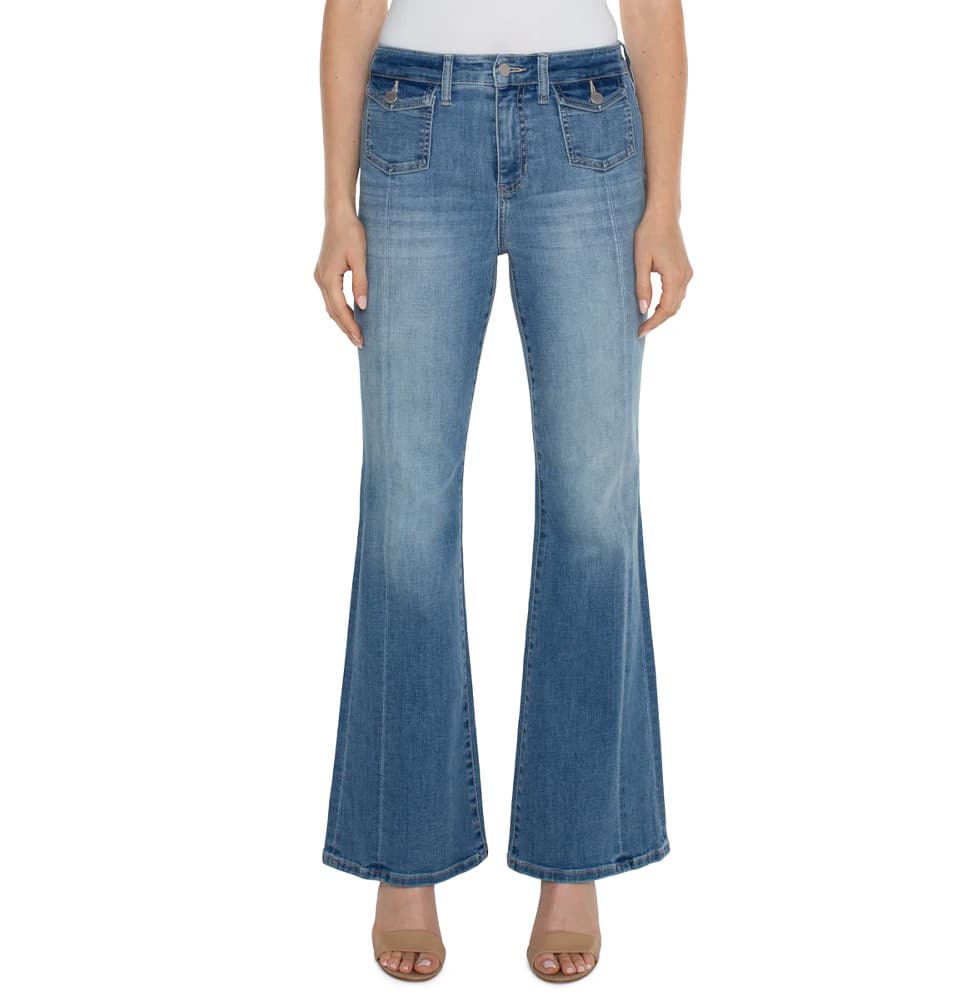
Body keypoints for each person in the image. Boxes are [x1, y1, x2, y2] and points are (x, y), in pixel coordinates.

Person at [313, 0, 692, 982]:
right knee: (405, 512)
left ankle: (575, 857)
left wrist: (665, 206)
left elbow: (652, 9)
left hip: (587, 120)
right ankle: (406, 852)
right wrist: (336, 207)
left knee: (594, 512)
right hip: (413, 124)